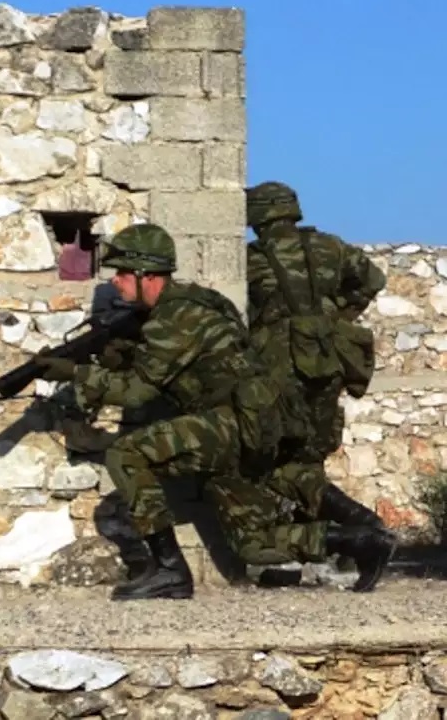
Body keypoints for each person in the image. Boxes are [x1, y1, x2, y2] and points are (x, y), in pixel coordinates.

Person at [31, 222, 396, 600]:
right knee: (253, 545)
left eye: (123, 273)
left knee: (127, 453)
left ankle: (170, 570)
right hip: (256, 425)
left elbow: (137, 392)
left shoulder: (175, 317)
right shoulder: (200, 302)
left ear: (147, 275)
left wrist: (75, 374)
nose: (116, 281)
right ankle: (362, 542)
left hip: (233, 423)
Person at [243, 181, 390, 535]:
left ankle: (354, 528)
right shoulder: (330, 247)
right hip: (327, 357)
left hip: (278, 364)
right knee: (312, 452)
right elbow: (373, 279)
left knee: (277, 455)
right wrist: (336, 315)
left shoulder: (252, 258)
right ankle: (331, 536)